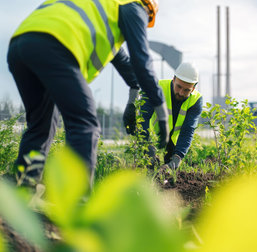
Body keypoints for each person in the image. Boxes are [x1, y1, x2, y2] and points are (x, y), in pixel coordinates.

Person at [7, 0, 169, 188]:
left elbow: (126, 64)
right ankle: (77, 203)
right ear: (147, 10)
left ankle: (24, 188)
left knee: (41, 126)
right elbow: (142, 62)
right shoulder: (134, 7)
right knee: (84, 124)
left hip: (21, 43)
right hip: (56, 44)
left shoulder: (102, 11)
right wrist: (161, 109)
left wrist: (133, 98)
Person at [132, 62, 203, 170]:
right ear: (173, 79)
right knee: (147, 168)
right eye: (178, 86)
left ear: (193, 89)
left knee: (170, 171)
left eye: (186, 90)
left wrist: (177, 158)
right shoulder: (156, 88)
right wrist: (147, 147)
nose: (180, 92)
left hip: (173, 141)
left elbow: (188, 130)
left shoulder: (196, 100)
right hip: (151, 136)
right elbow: (143, 118)